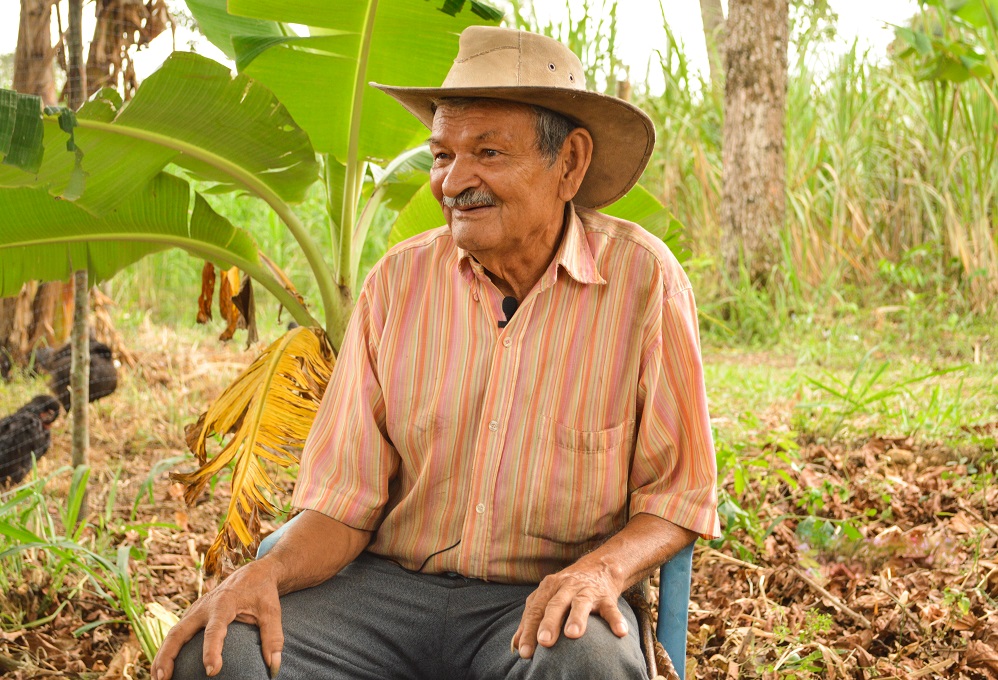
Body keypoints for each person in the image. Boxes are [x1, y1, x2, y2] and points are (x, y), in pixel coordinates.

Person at [152, 25, 720, 680]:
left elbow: (679, 497)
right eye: (442, 155)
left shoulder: (644, 284)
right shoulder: (397, 283)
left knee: (586, 662)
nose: (454, 181)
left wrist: (602, 570)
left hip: (536, 603)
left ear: (569, 163)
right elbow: (342, 505)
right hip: (383, 593)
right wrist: (263, 573)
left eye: (487, 152)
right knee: (222, 653)